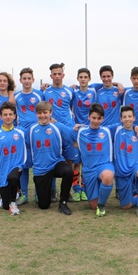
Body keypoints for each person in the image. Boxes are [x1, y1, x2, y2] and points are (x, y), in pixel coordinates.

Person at [25, 101, 76, 215]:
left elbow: (73, 138)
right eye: (39, 113)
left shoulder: (58, 127)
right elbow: (25, 145)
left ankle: (63, 202)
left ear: (51, 113)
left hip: (56, 163)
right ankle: (43, 192)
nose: (42, 115)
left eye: (45, 112)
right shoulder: (31, 129)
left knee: (68, 171)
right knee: (43, 206)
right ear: (36, 114)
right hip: (41, 169)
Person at [43, 63, 79, 202]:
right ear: (51, 75)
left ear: (63, 75)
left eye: (59, 74)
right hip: (52, 130)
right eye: (54, 74)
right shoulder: (45, 91)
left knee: (69, 161)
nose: (57, 76)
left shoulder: (70, 92)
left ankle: (67, 191)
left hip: (67, 129)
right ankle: (52, 190)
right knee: (51, 159)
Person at [74, 103, 115, 216]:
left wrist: (136, 127)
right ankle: (97, 201)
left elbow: (125, 125)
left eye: (99, 118)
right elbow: (65, 132)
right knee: (93, 206)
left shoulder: (107, 130)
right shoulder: (80, 132)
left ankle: (101, 206)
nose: (96, 121)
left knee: (107, 176)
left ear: (103, 118)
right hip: (89, 170)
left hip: (104, 165)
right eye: (94, 118)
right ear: (89, 117)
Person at [0, 102, 26, 215]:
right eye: (5, 114)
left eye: (10, 114)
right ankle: (6, 200)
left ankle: (14, 203)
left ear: (15, 116)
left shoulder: (21, 132)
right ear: (1, 117)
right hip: (2, 169)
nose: (8, 117)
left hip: (17, 166)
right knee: (5, 206)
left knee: (13, 177)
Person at [14, 67, 44, 205]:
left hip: (37, 133)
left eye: (29, 78)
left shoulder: (39, 95)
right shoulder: (16, 96)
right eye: (24, 78)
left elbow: (45, 112)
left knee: (39, 164)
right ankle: (24, 195)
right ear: (20, 80)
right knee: (24, 165)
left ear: (33, 80)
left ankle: (39, 194)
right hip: (22, 133)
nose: (26, 81)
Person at [111, 106, 138, 216]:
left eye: (130, 116)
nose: (127, 119)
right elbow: (100, 128)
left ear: (134, 118)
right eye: (124, 117)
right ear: (121, 119)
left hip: (134, 166)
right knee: (125, 206)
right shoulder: (116, 129)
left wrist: (136, 127)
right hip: (121, 171)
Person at [70, 67, 97, 201]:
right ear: (78, 78)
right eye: (81, 77)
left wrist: (118, 84)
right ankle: (76, 189)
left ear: (89, 79)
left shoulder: (94, 89)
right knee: (76, 162)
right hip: (77, 130)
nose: (83, 79)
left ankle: (85, 188)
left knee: (87, 161)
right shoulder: (73, 91)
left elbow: (109, 84)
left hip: (90, 131)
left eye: (85, 77)